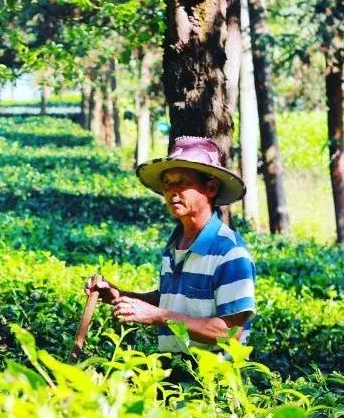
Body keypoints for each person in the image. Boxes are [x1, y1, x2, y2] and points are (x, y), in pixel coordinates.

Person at [85, 135, 257, 361]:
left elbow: (229, 333)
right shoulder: (175, 244)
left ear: (211, 187)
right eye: (168, 182)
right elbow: (170, 299)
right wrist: (120, 296)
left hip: (213, 384)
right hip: (172, 373)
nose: (172, 191)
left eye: (183, 182)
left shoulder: (230, 254)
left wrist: (160, 316)